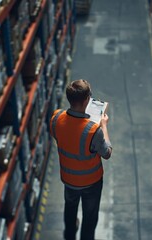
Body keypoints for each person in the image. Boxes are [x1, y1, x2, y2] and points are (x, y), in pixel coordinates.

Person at [50, 79, 112, 240]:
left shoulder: (56, 118)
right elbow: (107, 153)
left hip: (69, 179)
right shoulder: (93, 130)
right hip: (91, 182)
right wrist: (104, 125)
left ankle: (70, 234)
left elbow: (60, 136)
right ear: (86, 100)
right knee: (90, 216)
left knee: (70, 209)